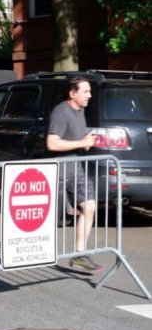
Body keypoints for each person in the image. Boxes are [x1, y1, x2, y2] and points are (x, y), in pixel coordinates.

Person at [46, 76, 101, 272]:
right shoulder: (61, 112)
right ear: (72, 93)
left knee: (89, 207)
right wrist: (81, 143)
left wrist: (85, 141)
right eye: (85, 91)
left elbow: (74, 139)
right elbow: (52, 143)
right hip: (58, 171)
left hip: (75, 169)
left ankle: (80, 255)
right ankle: (27, 249)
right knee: (43, 216)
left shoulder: (80, 110)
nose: (90, 95)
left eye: (90, 91)